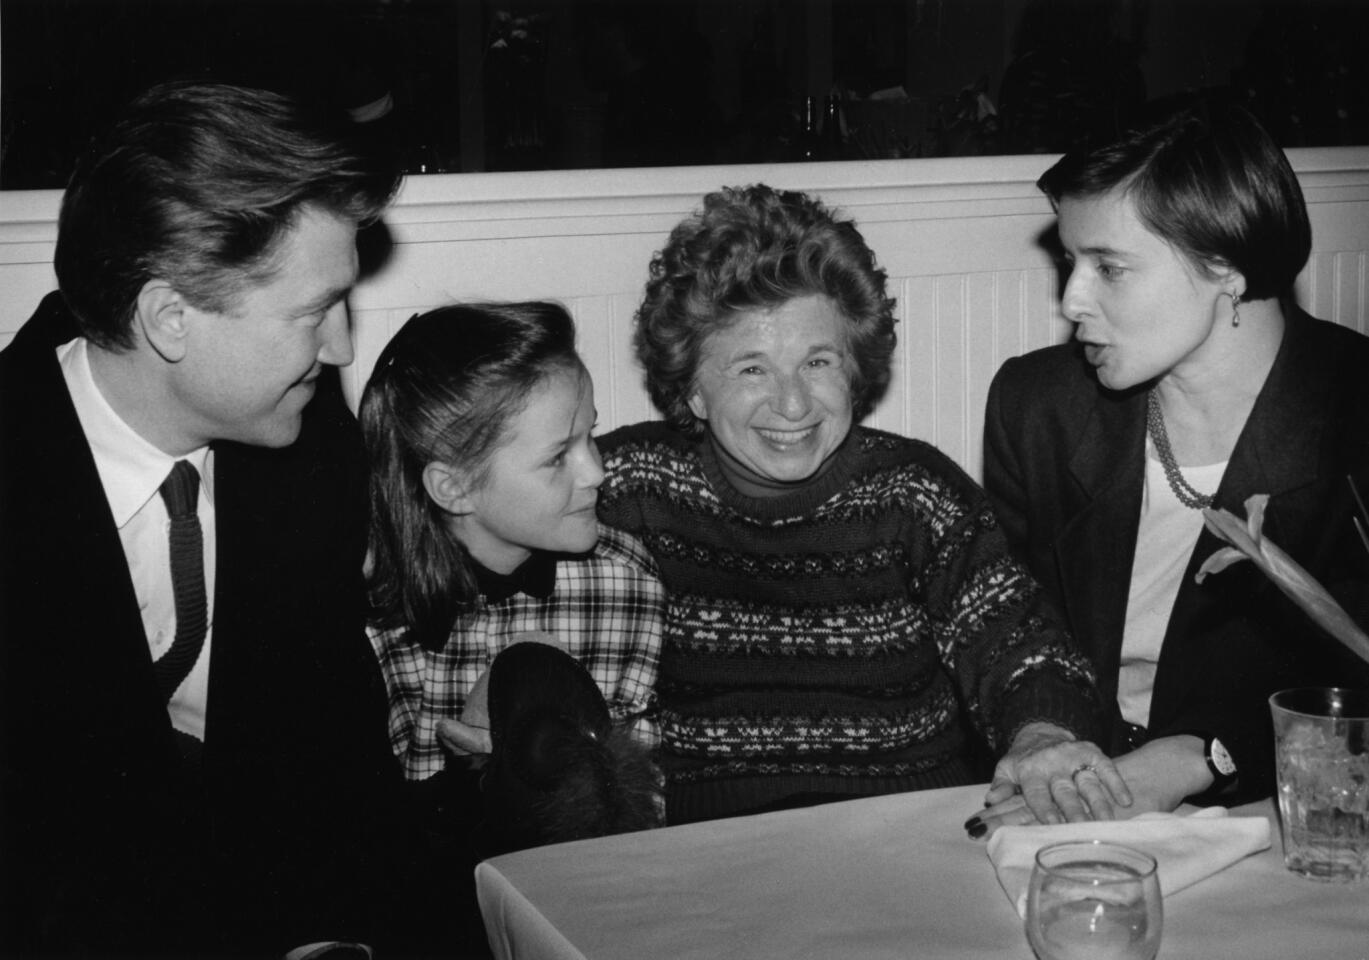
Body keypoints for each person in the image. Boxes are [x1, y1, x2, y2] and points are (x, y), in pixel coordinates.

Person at [0, 81, 421, 957]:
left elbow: (331, 742)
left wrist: (333, 935)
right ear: (168, 320)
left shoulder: (307, 444)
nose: (343, 348)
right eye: (313, 314)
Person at [596, 183, 1122, 827]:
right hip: (709, 841)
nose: (793, 405)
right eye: (751, 370)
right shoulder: (629, 485)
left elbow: (1019, 643)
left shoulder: (912, 490)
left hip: (908, 822)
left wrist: (1041, 734)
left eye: (817, 361)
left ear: (854, 369)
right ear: (693, 389)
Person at [981, 100, 1369, 829]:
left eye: (1108, 267)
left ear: (1222, 262)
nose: (1071, 300)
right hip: (1074, 787)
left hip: (1291, 804)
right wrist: (1043, 732)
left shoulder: (1353, 416)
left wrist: (1198, 756)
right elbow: (1007, 623)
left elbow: (1345, 684)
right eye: (1070, 261)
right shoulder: (1039, 407)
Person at [360, 303, 664, 827]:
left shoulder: (626, 584)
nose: (596, 470)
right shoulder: (378, 616)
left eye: (591, 436)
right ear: (454, 487)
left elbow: (637, 804)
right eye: (557, 457)